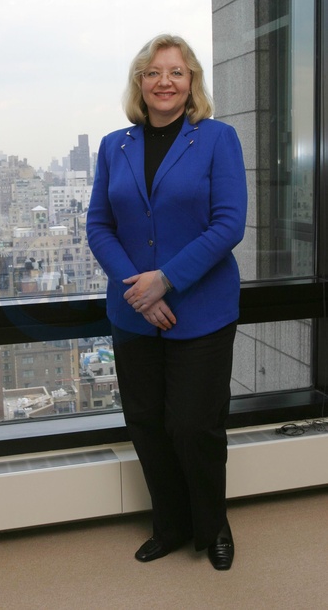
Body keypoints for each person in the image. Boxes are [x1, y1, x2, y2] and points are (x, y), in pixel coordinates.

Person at [86, 34, 247, 571]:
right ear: (140, 83)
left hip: (202, 310)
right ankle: (170, 525)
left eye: (176, 72)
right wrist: (140, 289)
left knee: (195, 426)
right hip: (133, 312)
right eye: (153, 72)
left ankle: (213, 524)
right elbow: (98, 225)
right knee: (147, 423)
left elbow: (229, 224)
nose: (164, 82)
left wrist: (167, 280)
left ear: (191, 81)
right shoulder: (114, 146)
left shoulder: (218, 139)